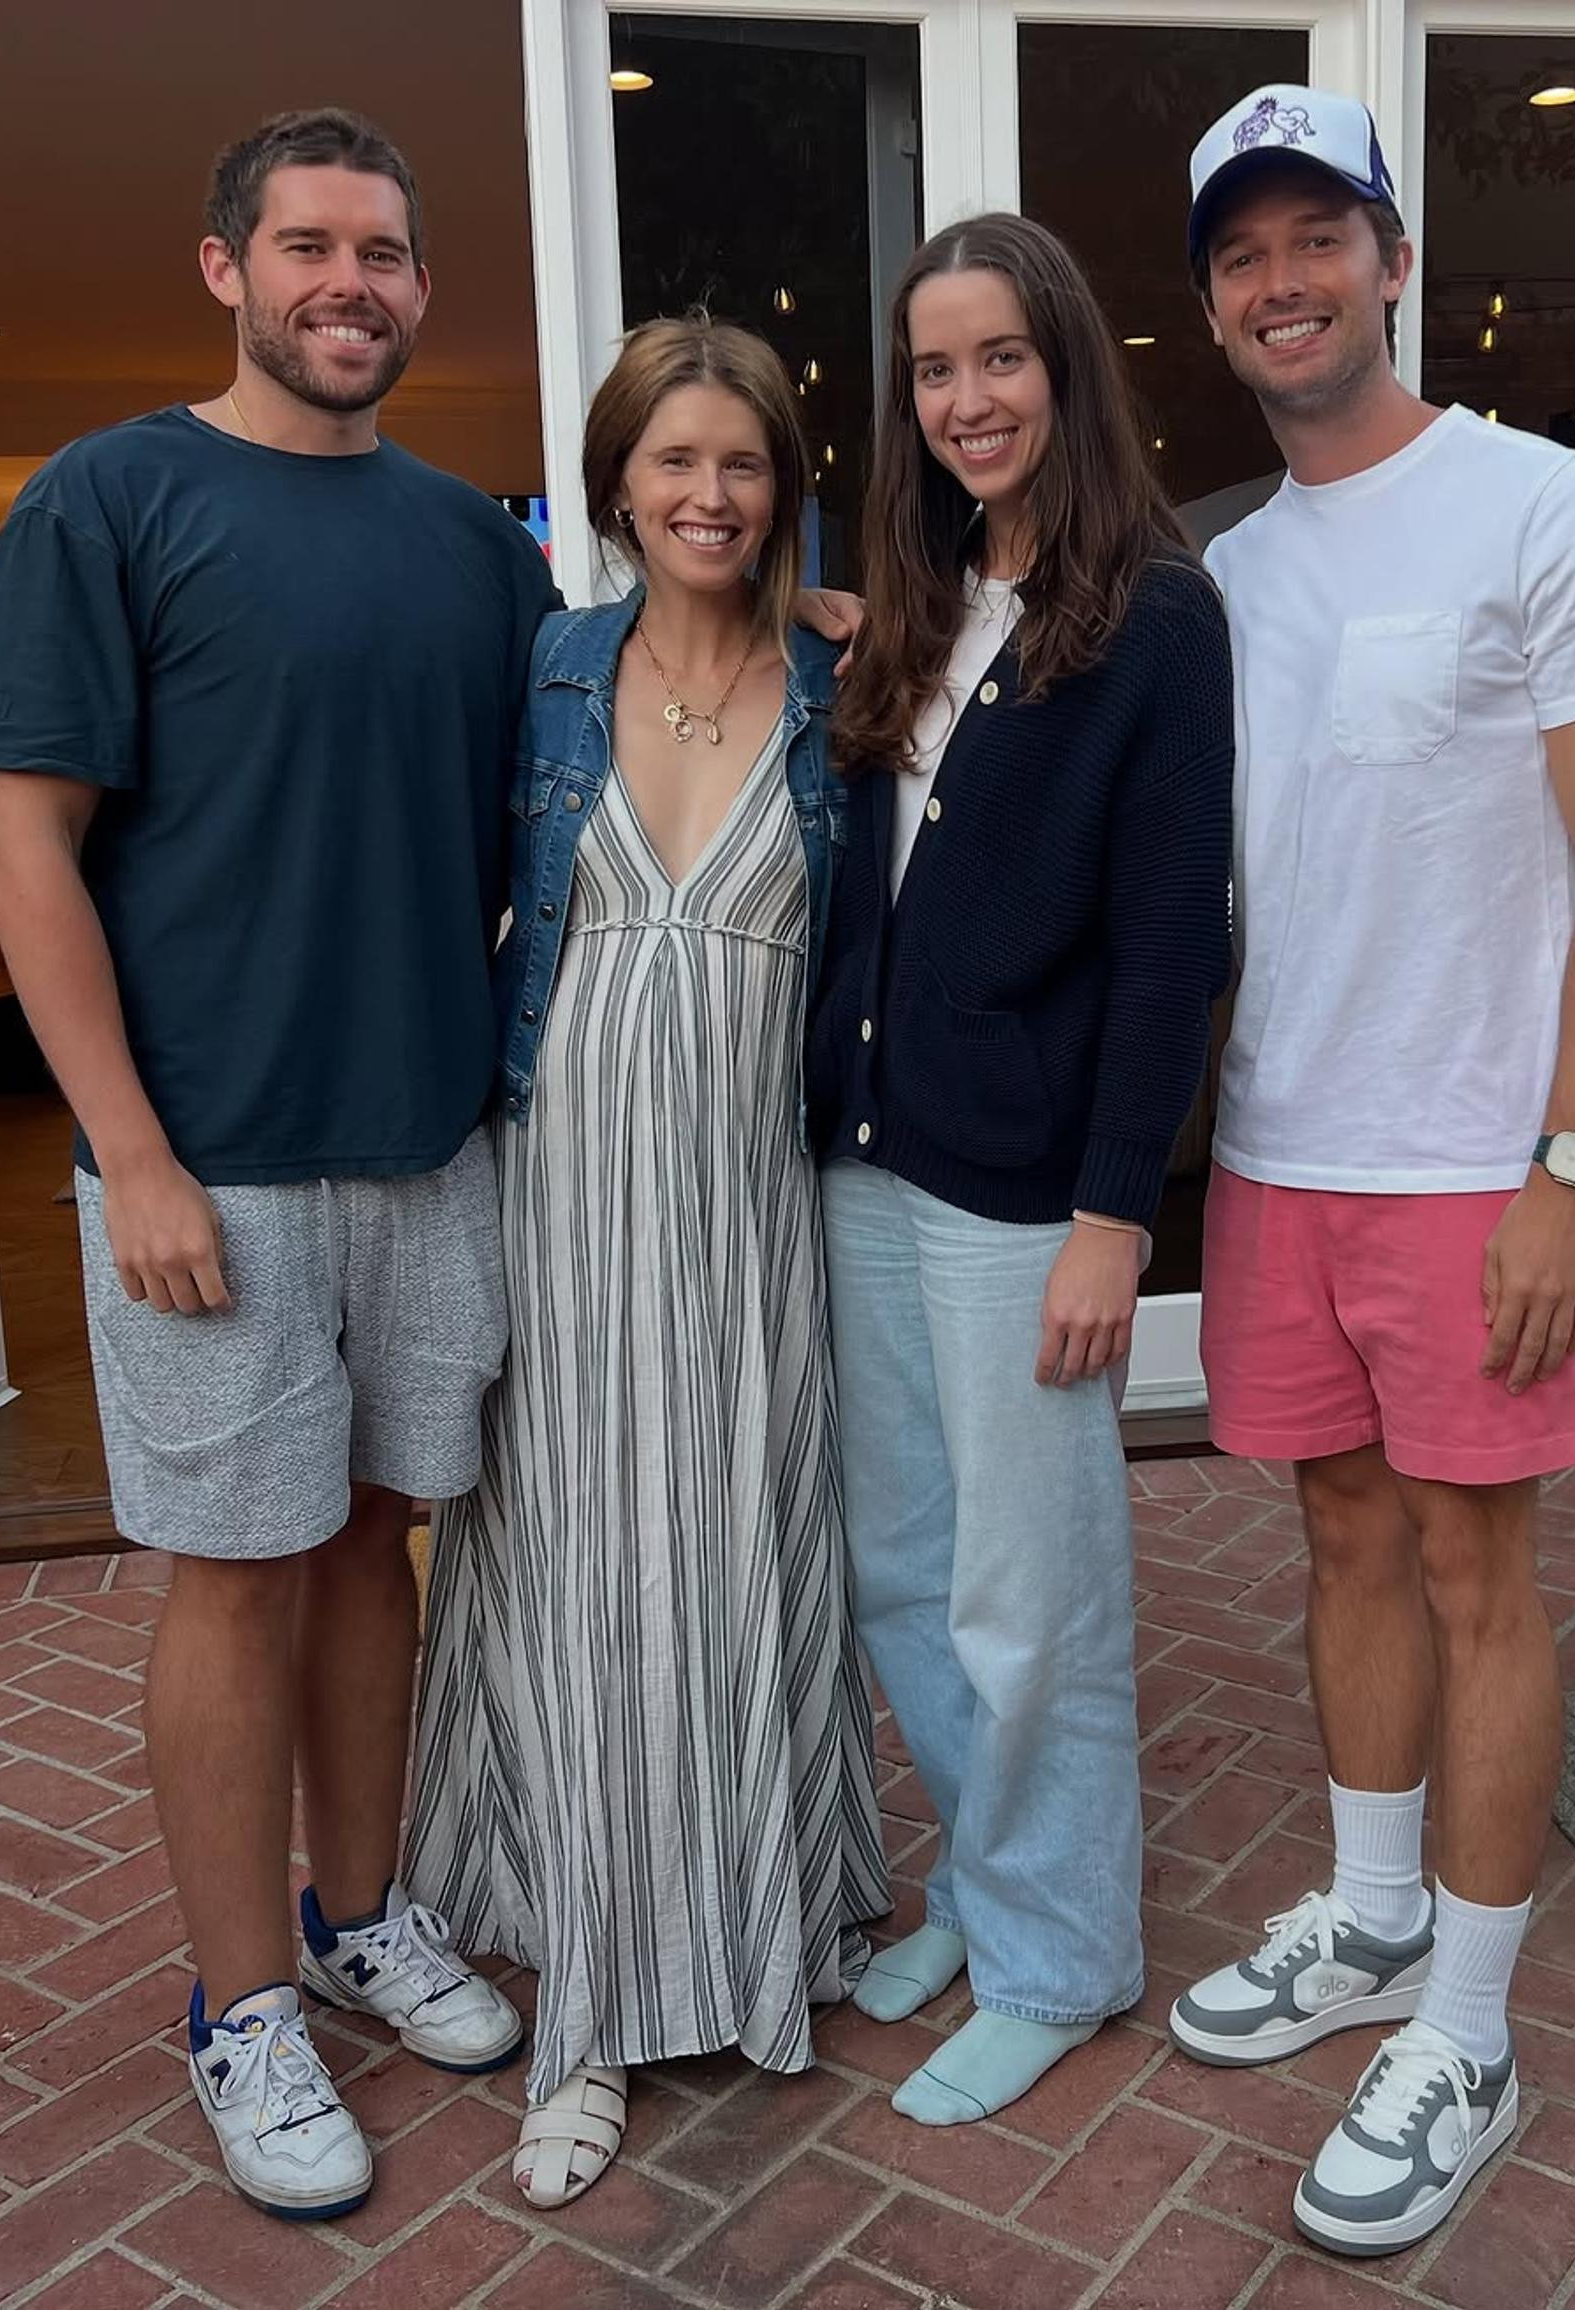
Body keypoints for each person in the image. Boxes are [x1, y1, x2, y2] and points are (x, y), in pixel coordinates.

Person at [0, 108, 559, 2222]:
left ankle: (361, 1912)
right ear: (226, 268)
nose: (348, 283)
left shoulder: (479, 550)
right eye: (307, 245)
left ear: (420, 285)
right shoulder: (109, 500)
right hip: (209, 1166)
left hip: (429, 1146)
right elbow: (23, 835)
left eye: (381, 252)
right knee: (234, 1572)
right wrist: (126, 1155)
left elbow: (615, 745)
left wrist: (812, 621)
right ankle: (238, 2008)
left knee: (377, 1542)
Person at [1172, 85, 1575, 2257]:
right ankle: (1375, 1917)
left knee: (1481, 1575)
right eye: (1240, 254)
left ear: (1391, 260)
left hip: (1479, 1167)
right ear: (1213, 303)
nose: (1281, 282)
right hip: (1278, 1150)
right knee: (1338, 1541)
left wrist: (1568, 1167)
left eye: (1319, 237)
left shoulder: (1554, 511)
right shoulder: (1224, 572)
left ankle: (1468, 2035)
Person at [402, 315, 890, 2210]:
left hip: (751, 1205)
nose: (710, 493)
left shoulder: (848, 678)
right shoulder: (545, 670)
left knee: (740, 1546)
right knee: (592, 1575)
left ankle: (761, 1904)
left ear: (785, 485)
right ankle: (588, 2017)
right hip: (568, 1190)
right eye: (675, 459)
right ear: (616, 481)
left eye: (743, 462)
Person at [810, 214, 1234, 2128]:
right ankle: (985, 1892)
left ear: (1064, 366)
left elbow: (1171, 942)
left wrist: (1115, 1213)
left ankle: (1061, 1955)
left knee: (1031, 1588)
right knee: (905, 1565)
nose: (967, 397)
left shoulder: (1154, 615)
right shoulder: (914, 599)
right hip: (867, 1162)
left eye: (1000, 357)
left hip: (1024, 1194)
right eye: (933, 367)